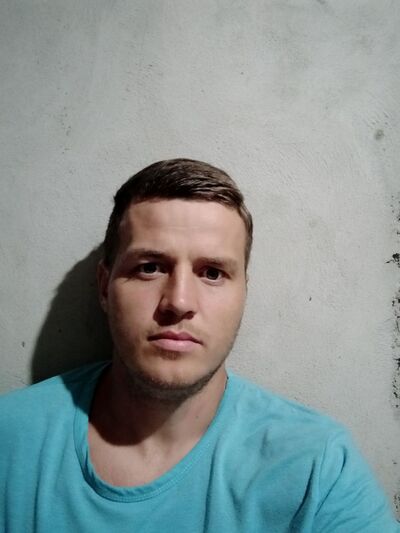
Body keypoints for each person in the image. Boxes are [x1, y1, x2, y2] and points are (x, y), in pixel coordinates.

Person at [0, 158, 398, 532]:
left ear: (244, 292)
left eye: (212, 273)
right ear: (105, 287)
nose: (179, 302)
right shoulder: (10, 439)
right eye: (150, 268)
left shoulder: (317, 468)